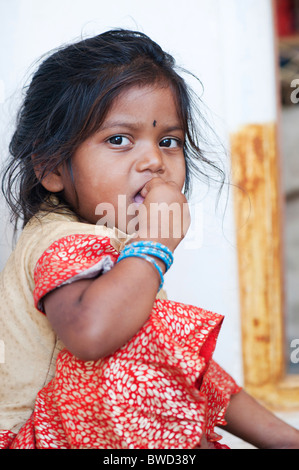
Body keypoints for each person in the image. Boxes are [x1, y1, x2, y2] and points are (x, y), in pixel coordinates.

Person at [0, 29, 298, 450]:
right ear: (51, 168)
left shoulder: (125, 257)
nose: (155, 161)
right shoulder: (65, 239)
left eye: (168, 141)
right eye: (119, 139)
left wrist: (285, 439)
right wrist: (156, 244)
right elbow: (91, 332)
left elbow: (178, 359)